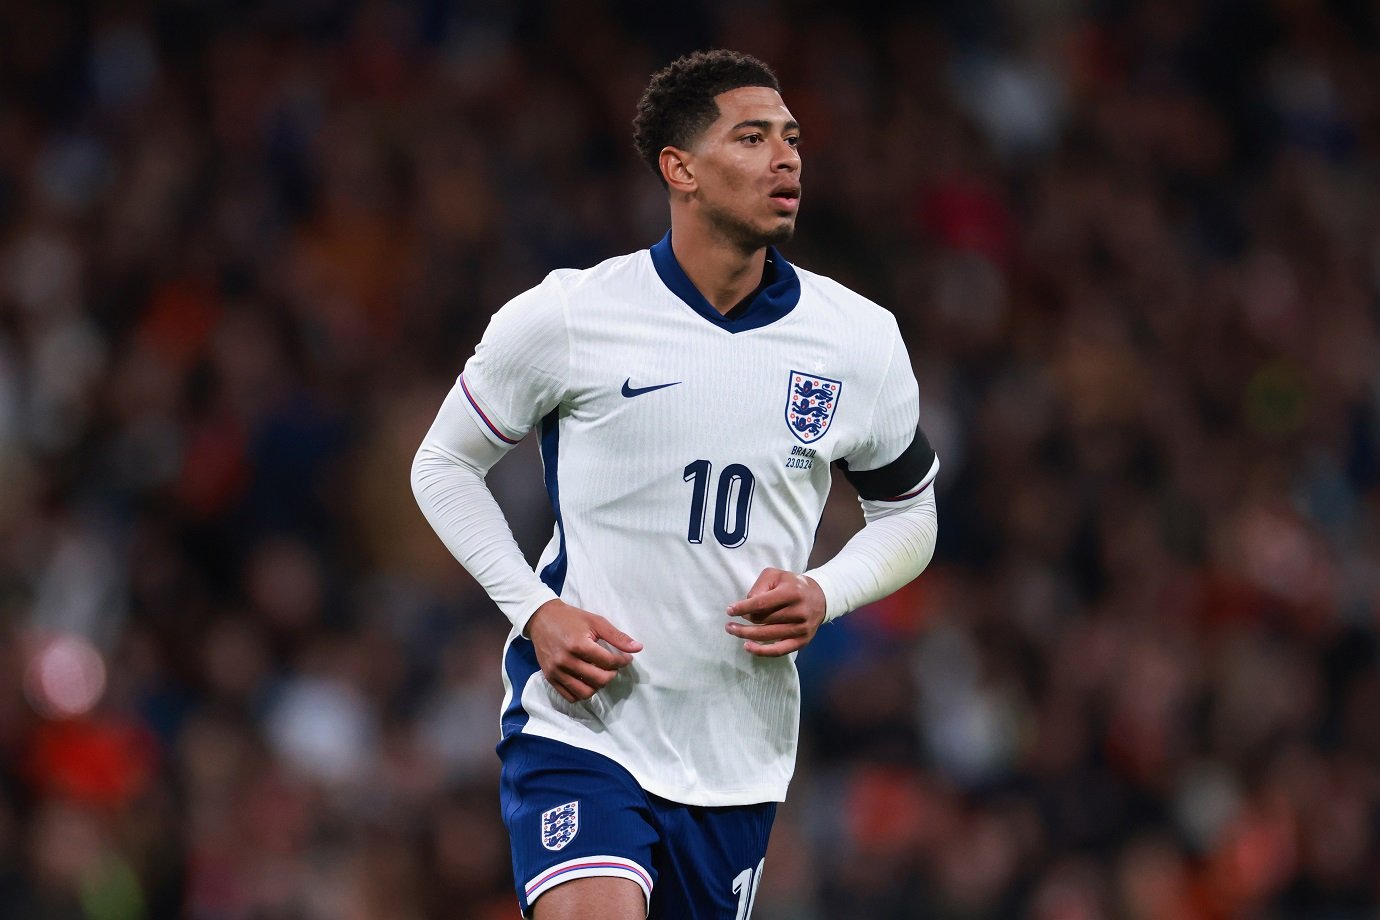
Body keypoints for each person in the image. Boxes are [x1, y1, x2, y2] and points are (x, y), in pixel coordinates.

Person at [412, 49, 939, 920]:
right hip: (585, 722)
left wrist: (825, 590)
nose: (787, 158)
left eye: (793, 139)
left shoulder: (859, 341)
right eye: (753, 136)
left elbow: (909, 515)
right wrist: (532, 611)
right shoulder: (573, 315)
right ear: (680, 168)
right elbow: (441, 464)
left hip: (736, 748)